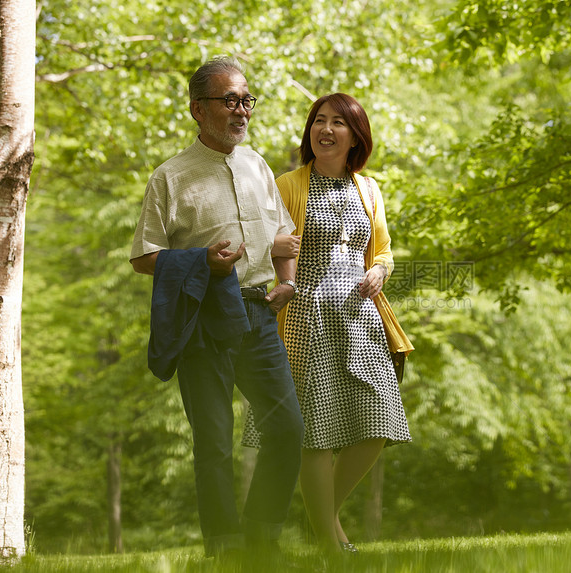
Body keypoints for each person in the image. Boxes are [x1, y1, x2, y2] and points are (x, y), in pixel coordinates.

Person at [129, 56, 304, 559]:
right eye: (229, 100)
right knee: (214, 442)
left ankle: (261, 536)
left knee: (287, 428)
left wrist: (287, 282)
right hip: (203, 318)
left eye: (246, 99)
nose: (241, 110)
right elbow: (143, 257)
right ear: (197, 110)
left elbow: (282, 235)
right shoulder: (170, 177)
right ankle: (224, 549)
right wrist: (202, 263)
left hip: (258, 315)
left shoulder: (258, 165)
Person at [242, 93, 413, 555]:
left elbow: (382, 250)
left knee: (380, 420)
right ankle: (330, 543)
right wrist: (281, 261)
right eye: (320, 120)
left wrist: (380, 270)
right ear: (310, 131)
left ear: (356, 135)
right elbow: (264, 241)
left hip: (360, 320)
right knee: (315, 430)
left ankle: (324, 519)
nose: (327, 129)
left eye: (339, 122)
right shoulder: (288, 184)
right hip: (305, 318)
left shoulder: (368, 189)